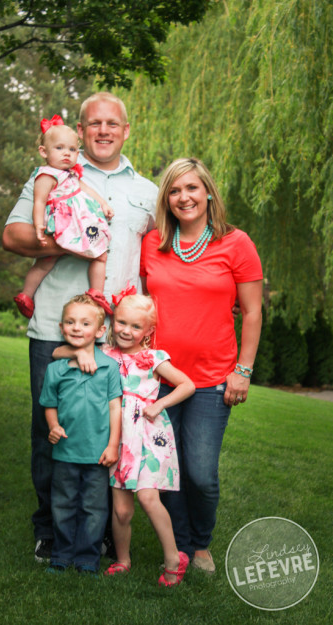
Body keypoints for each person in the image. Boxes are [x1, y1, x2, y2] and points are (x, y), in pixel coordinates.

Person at [2, 92, 158, 562]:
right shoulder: (55, 172)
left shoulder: (148, 192)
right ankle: (49, 529)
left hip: (117, 336)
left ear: (126, 130)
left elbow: (156, 264)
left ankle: (101, 528)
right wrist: (77, 240)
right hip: (57, 327)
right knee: (51, 430)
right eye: (94, 124)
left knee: (109, 433)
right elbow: (13, 235)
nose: (104, 131)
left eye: (113, 123)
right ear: (82, 129)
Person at [140, 157, 263, 575]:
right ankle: (183, 546)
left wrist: (242, 370)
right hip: (161, 379)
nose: (183, 197)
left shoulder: (236, 243)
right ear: (166, 199)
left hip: (213, 380)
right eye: (174, 191)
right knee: (167, 471)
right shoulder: (152, 242)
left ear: (208, 192)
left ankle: (202, 540)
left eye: (191, 188)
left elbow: (252, 311)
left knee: (200, 473)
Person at [53, 288, 196, 586]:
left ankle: (174, 558)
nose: (126, 331)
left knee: (147, 497)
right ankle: (122, 560)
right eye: (120, 323)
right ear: (112, 321)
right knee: (120, 509)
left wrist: (159, 404)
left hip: (146, 434)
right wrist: (80, 351)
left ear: (148, 331)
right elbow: (57, 352)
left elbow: (187, 385)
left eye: (135, 326)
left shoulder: (152, 358)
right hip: (117, 435)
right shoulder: (104, 352)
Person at [39, 293, 122, 574]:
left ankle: (87, 557)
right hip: (65, 451)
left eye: (85, 323)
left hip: (98, 453)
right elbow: (49, 404)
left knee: (94, 508)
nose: (76, 328)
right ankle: (61, 554)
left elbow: (115, 409)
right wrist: (53, 426)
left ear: (100, 331)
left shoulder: (109, 367)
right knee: (62, 504)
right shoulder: (55, 369)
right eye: (70, 322)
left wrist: (113, 445)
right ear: (61, 328)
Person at [13, 115, 114, 319]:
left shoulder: (72, 174)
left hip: (73, 224)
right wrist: (38, 226)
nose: (66, 154)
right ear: (44, 151)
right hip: (67, 224)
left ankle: (28, 295)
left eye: (72, 149)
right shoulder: (46, 175)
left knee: (49, 261)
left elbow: (85, 189)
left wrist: (103, 203)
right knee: (98, 253)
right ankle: (95, 291)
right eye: (59, 148)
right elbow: (40, 202)